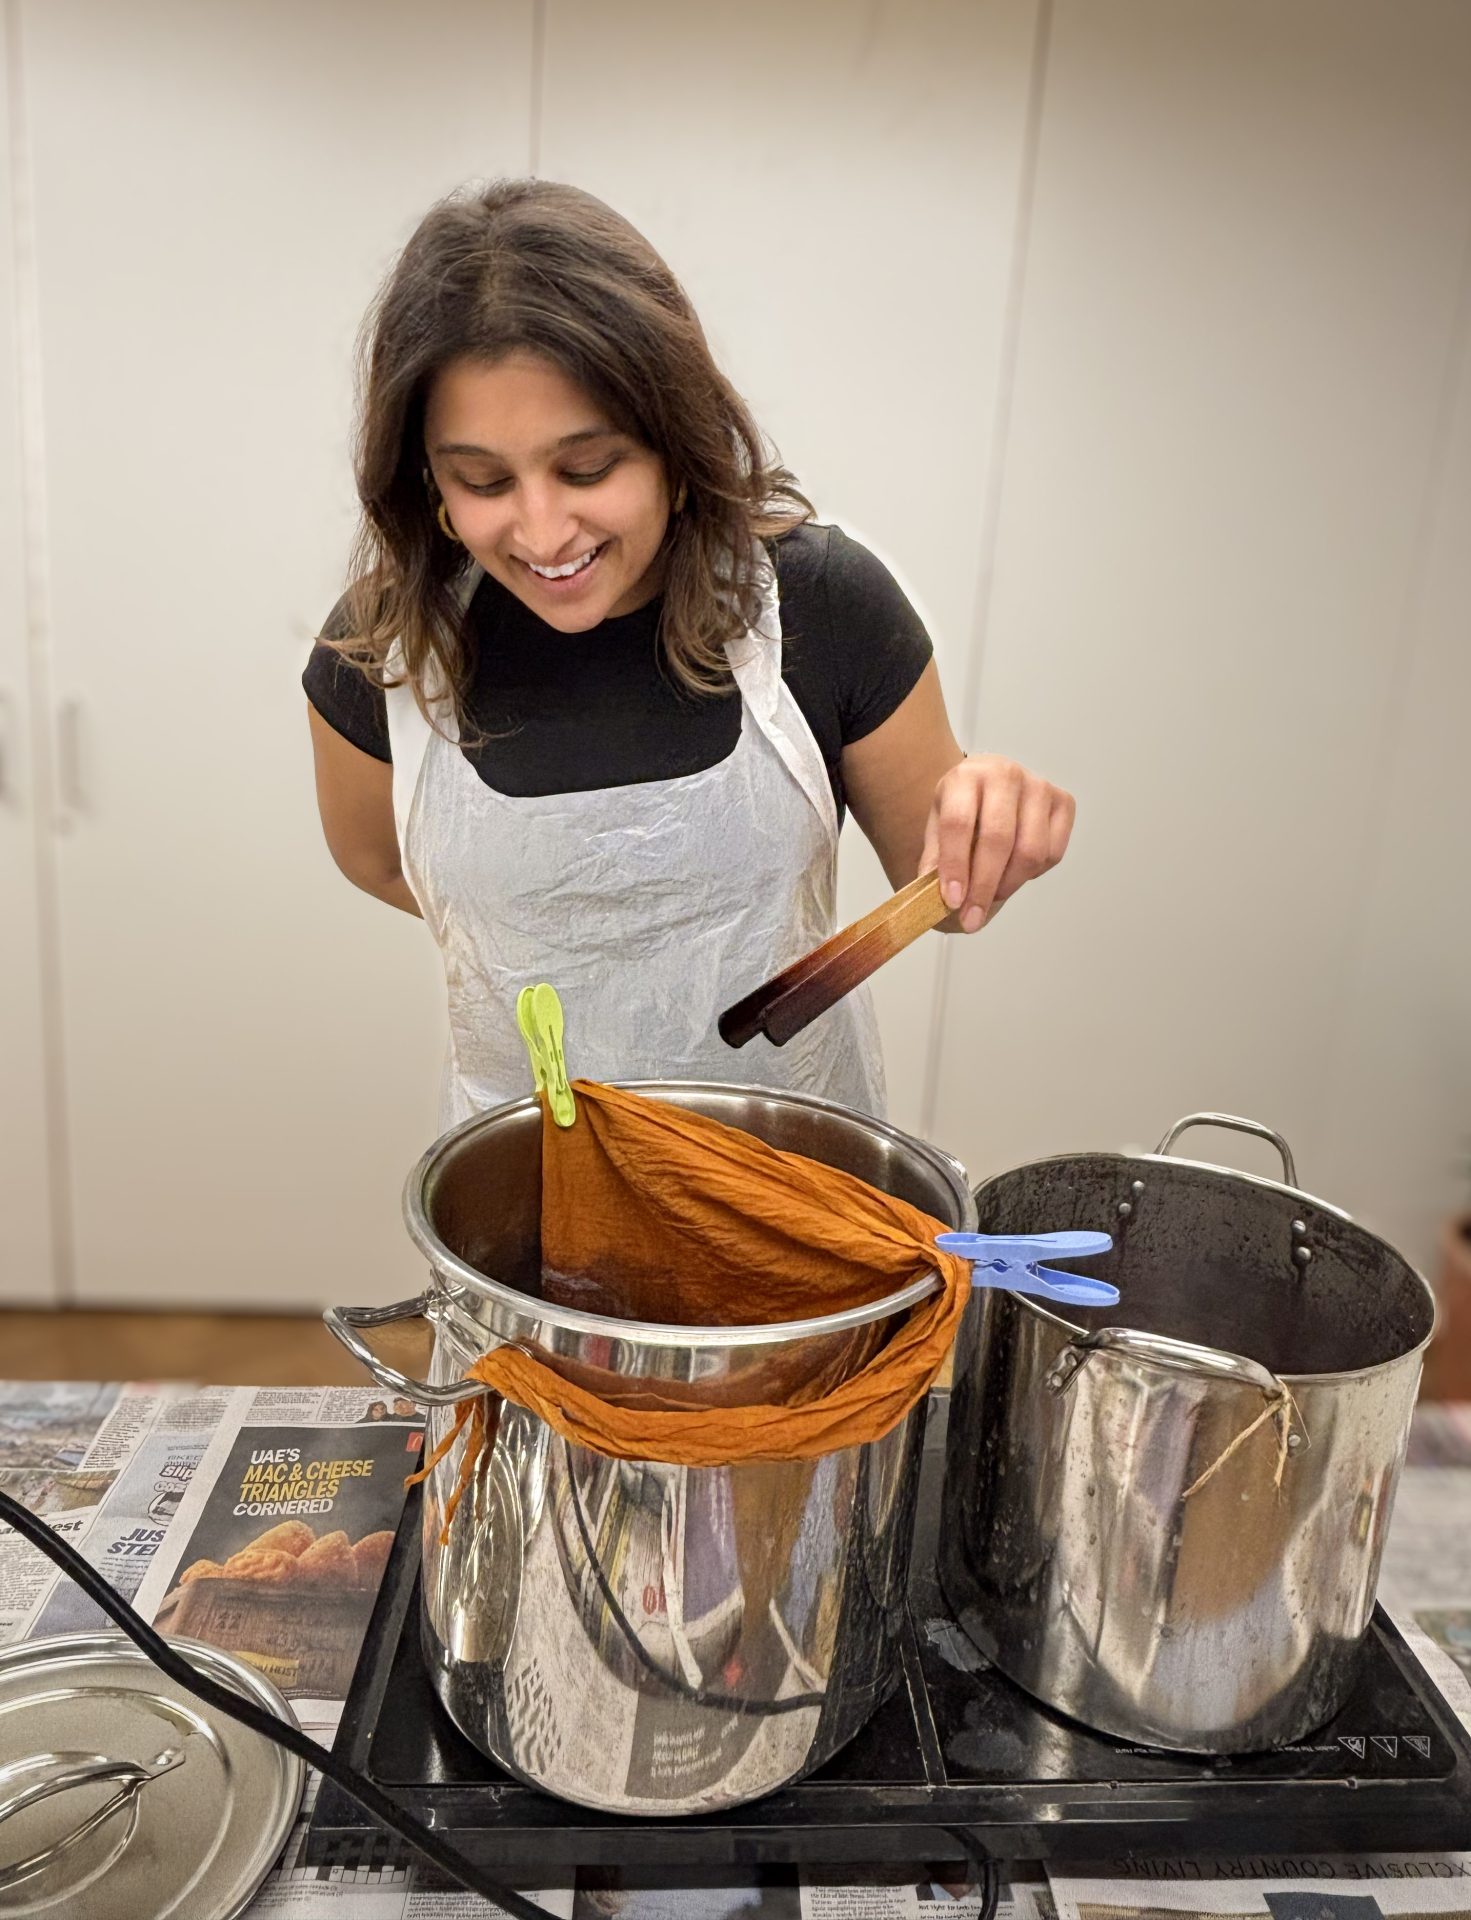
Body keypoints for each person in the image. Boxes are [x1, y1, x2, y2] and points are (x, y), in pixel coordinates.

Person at [305, 179, 1074, 1127]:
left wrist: (995, 814)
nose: (544, 532)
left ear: (676, 441)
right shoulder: (382, 653)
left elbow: (946, 895)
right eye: (483, 480)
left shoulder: (823, 606)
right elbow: (378, 863)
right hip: (519, 1195)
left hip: (795, 1180)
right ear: (428, 478)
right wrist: (581, 949)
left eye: (588, 468)